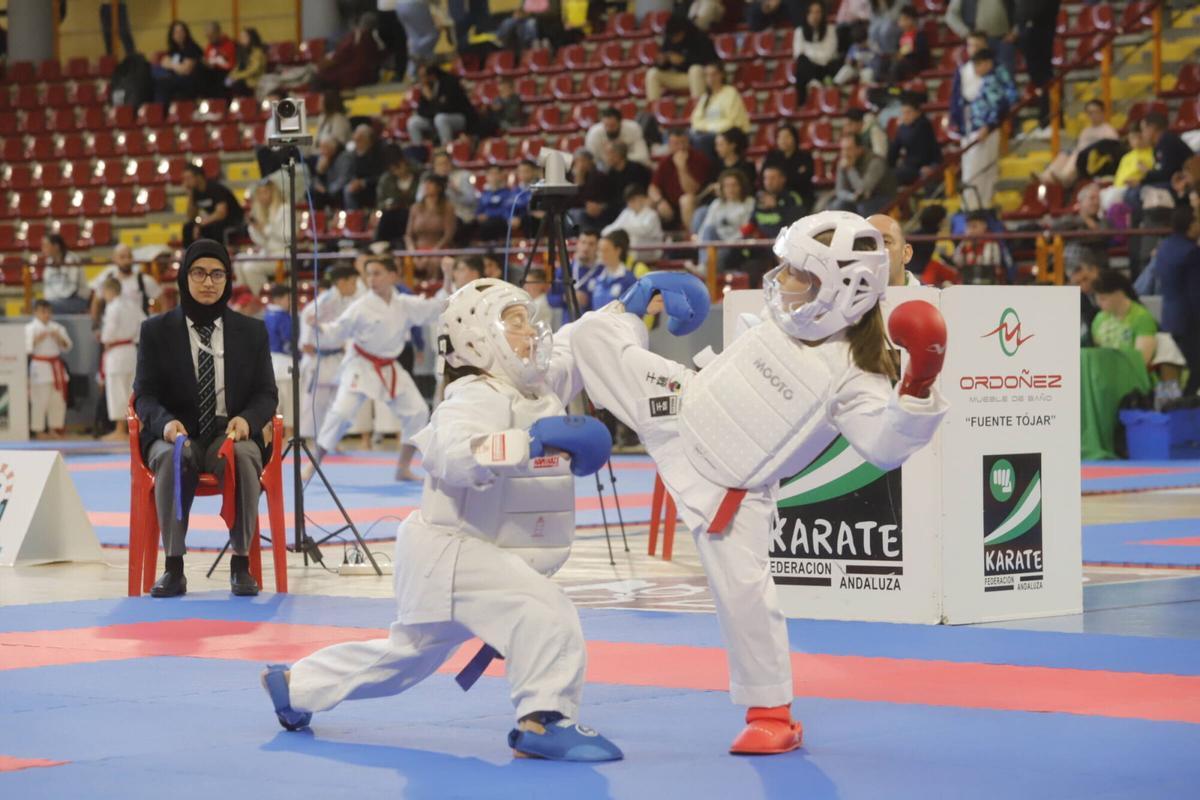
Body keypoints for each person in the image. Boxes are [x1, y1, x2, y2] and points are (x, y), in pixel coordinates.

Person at [567, 211, 948, 755]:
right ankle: (525, 390)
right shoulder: (785, 317)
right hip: (679, 408)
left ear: (838, 288)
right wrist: (637, 308)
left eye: (795, 273)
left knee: (746, 594)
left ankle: (770, 713)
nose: (780, 281)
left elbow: (886, 448)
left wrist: (919, 383)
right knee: (590, 337)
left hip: (731, 489)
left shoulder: (855, 371)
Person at [263, 278, 623, 763]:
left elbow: (575, 347)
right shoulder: (474, 395)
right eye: (515, 324)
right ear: (480, 339)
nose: (531, 333)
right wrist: (528, 443)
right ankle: (544, 718)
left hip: (466, 552)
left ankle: (294, 686)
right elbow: (450, 453)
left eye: (528, 321)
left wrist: (630, 308)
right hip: (452, 549)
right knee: (544, 609)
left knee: (405, 660)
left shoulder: (532, 384)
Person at [133, 239, 279, 598]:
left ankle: (241, 563)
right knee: (172, 456)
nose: (208, 282)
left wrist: (248, 419)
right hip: (174, 431)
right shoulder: (155, 331)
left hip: (228, 430)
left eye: (217, 274)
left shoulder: (251, 331)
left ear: (228, 280)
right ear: (185, 277)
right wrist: (165, 423)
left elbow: (267, 393)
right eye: (199, 273)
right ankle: (174, 567)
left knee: (244, 455)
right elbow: (145, 395)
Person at [306, 258, 445, 482]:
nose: (372, 279)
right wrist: (318, 326)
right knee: (341, 413)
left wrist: (446, 277)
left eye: (377, 273)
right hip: (361, 365)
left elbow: (436, 308)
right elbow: (336, 331)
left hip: (389, 367)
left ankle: (403, 468)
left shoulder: (404, 304)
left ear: (393, 276)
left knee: (418, 411)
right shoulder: (361, 306)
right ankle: (312, 465)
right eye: (368, 274)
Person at [299, 265, 361, 441]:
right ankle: (314, 441)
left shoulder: (345, 302)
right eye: (353, 283)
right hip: (319, 359)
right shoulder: (321, 304)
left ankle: (330, 440)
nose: (355, 287)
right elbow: (305, 343)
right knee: (317, 403)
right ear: (341, 282)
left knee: (336, 404)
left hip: (338, 358)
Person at [953, 48, 1017, 210]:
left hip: (984, 131)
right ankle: (975, 206)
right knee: (975, 169)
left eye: (978, 65)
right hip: (976, 128)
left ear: (988, 64)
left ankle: (977, 207)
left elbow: (997, 106)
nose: (975, 70)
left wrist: (988, 127)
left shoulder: (993, 81)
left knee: (979, 170)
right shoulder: (987, 81)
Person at [1155, 205, 1200, 395]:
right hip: (1190, 320)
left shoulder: (1165, 247)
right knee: (1196, 370)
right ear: (1190, 225)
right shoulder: (1192, 252)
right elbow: (1196, 292)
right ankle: (1186, 408)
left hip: (1170, 317)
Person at [98, 276, 146, 442]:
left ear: (110, 290)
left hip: (116, 351)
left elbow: (109, 331)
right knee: (132, 390)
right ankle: (138, 427)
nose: (104, 296)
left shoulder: (113, 307)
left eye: (104, 292)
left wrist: (105, 340)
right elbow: (144, 323)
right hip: (131, 350)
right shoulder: (132, 305)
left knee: (118, 390)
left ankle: (120, 429)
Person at [1041, 100, 1120, 186]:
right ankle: (1046, 176)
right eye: (1090, 113)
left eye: (1095, 112)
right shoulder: (1085, 131)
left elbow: (1113, 151)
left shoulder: (1108, 130)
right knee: (1064, 154)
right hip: (1082, 158)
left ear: (1102, 112)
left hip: (1095, 162)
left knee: (1077, 154)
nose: (1093, 115)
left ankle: (1066, 176)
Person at [1091, 271, 1157, 370]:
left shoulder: (1142, 318)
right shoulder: (1099, 319)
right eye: (1097, 299)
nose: (1098, 303)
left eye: (1103, 299)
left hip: (1131, 376)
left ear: (1119, 294)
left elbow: (1141, 361)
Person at [25, 299, 73, 439]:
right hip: (39, 367)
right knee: (39, 401)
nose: (46, 315)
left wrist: (58, 338)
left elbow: (68, 347)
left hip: (56, 367)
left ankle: (55, 428)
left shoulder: (57, 328)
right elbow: (26, 349)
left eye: (48, 312)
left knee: (57, 401)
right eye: (43, 312)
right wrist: (36, 340)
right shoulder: (30, 328)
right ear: (36, 312)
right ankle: (39, 430)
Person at [650, 128, 712, 231]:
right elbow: (653, 187)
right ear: (669, 145)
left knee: (686, 200)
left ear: (688, 143)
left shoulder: (699, 159)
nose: (681, 147)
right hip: (670, 204)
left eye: (683, 143)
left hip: (697, 201)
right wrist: (660, 201)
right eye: (676, 144)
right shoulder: (666, 161)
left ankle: (692, 240)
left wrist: (682, 168)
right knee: (648, 202)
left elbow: (690, 190)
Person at [646, 14, 716, 102]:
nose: (673, 39)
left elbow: (710, 63)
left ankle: (698, 109)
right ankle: (653, 111)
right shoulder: (669, 39)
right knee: (652, 73)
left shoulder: (700, 37)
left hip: (699, 78)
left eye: (676, 36)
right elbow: (663, 64)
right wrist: (662, 62)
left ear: (683, 32)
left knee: (695, 70)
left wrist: (684, 60)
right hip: (679, 77)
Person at [1014, 0, 1060, 134]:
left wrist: (1024, 20)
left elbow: (1035, 11)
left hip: (1039, 33)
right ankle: (1050, 116)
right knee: (1039, 77)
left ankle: (1048, 117)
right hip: (1033, 32)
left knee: (1043, 77)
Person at [696, 169, 755, 274]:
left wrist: (728, 243)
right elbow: (706, 228)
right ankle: (704, 265)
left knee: (722, 249)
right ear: (722, 188)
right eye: (727, 186)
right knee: (709, 230)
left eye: (734, 185)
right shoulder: (717, 203)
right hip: (717, 243)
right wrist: (699, 244)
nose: (730, 189)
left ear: (741, 186)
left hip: (736, 245)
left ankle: (707, 269)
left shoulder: (749, 202)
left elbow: (746, 230)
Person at [689, 65, 751, 159]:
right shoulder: (706, 97)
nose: (710, 78)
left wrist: (708, 127)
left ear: (721, 75)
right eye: (707, 75)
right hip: (711, 132)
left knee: (703, 140)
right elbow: (695, 120)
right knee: (686, 137)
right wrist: (707, 128)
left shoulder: (731, 92)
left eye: (714, 75)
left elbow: (732, 121)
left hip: (733, 133)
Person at [408, 62, 476, 146]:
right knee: (413, 122)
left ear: (432, 75)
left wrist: (431, 100)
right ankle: (418, 150)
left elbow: (447, 108)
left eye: (423, 76)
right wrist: (432, 105)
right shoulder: (426, 87)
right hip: (435, 117)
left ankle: (446, 149)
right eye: (420, 77)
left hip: (459, 117)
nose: (421, 80)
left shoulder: (449, 82)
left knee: (440, 118)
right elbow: (421, 110)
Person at [88, 243, 162, 321]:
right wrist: (95, 326)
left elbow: (162, 301)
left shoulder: (144, 280)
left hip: (138, 327)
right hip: (113, 327)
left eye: (129, 257)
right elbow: (96, 302)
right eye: (122, 257)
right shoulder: (106, 280)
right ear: (114, 258)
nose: (126, 261)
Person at [829, 134, 897, 216]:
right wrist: (852, 197)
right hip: (858, 198)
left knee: (863, 207)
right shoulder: (844, 160)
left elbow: (863, 190)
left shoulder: (875, 162)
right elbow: (839, 190)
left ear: (859, 149)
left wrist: (850, 169)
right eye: (843, 149)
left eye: (849, 149)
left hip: (881, 197)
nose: (845, 153)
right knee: (836, 205)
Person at [240, 180, 289, 294]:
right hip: (267, 254)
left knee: (250, 268)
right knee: (238, 261)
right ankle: (245, 297)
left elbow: (287, 237)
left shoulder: (284, 210)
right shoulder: (261, 211)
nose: (262, 196)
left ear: (273, 192)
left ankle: (261, 297)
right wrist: (253, 228)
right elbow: (261, 242)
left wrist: (264, 229)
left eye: (265, 192)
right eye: (260, 193)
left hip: (282, 256)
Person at [316, 12, 384, 91]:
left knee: (317, 78)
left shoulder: (354, 39)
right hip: (364, 77)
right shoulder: (372, 41)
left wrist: (320, 65)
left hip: (347, 78)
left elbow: (338, 57)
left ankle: (303, 103)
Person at [406, 173, 458, 276]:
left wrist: (432, 253)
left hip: (439, 249)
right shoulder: (415, 208)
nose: (426, 186)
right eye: (425, 184)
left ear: (438, 187)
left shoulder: (448, 208)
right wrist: (413, 252)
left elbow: (448, 234)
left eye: (430, 183)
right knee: (406, 262)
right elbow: (408, 235)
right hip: (417, 250)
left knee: (434, 262)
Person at [181, 163, 244, 247]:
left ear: (199, 177)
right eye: (184, 179)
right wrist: (190, 195)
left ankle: (218, 253)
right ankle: (189, 255)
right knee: (188, 227)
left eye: (188, 178)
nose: (186, 182)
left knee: (215, 227)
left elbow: (221, 213)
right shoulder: (195, 192)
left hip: (232, 219)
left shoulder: (215, 188)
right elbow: (191, 216)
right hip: (212, 220)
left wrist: (201, 224)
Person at [888, 94, 942, 186]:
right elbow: (894, 150)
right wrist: (888, 166)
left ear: (918, 113)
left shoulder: (924, 125)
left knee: (896, 175)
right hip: (910, 165)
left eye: (908, 112)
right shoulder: (903, 128)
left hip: (928, 164)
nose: (905, 116)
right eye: (903, 113)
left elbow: (924, 154)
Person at [793, 1, 841, 104]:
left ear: (823, 14)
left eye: (818, 12)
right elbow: (798, 54)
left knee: (837, 62)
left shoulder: (831, 30)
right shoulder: (799, 32)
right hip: (809, 68)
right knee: (801, 63)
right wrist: (813, 55)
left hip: (826, 68)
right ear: (806, 14)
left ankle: (815, 82)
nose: (815, 15)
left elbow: (828, 54)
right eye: (812, 12)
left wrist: (810, 53)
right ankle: (805, 99)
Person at [579, 230, 638, 313]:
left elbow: (636, 311)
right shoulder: (596, 277)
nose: (601, 254)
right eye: (599, 250)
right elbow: (587, 308)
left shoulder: (629, 280)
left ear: (617, 251)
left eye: (605, 250)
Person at [333, 124, 387, 211]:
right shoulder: (353, 154)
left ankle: (355, 218)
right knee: (338, 189)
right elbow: (351, 173)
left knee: (348, 191)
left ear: (368, 140)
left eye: (360, 140)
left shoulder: (378, 153)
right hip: (358, 186)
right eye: (356, 140)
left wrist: (363, 182)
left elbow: (381, 175)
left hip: (374, 186)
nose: (357, 142)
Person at [602, 184, 664, 259]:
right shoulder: (626, 213)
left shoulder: (652, 215)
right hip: (632, 249)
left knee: (631, 240)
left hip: (650, 250)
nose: (631, 203)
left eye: (633, 200)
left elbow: (643, 230)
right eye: (629, 201)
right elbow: (612, 227)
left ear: (642, 198)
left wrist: (623, 229)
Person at [763, 123, 815, 211]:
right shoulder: (771, 156)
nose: (783, 140)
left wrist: (780, 181)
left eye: (787, 137)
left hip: (801, 195)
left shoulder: (805, 156)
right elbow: (764, 178)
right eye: (780, 137)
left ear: (794, 138)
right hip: (775, 195)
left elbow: (805, 179)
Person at [375, 146, 418, 245]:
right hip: (393, 217)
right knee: (387, 217)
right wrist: (387, 205)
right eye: (393, 169)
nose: (398, 171)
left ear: (405, 162)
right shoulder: (386, 180)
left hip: (415, 215)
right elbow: (379, 204)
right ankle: (381, 245)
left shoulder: (419, 176)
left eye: (399, 166)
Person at [152, 21, 203, 105]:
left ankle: (162, 111)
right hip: (175, 78)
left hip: (190, 80)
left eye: (181, 31)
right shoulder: (173, 50)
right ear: (172, 35)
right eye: (176, 32)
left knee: (162, 83)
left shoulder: (192, 47)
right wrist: (178, 67)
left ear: (186, 33)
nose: (179, 34)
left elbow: (186, 70)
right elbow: (163, 63)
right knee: (154, 76)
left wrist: (172, 65)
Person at [586, 107, 651, 171]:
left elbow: (643, 156)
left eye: (612, 125)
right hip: (604, 168)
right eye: (606, 125)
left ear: (620, 123)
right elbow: (591, 160)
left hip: (629, 167)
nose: (609, 129)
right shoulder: (594, 133)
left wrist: (618, 160)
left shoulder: (633, 129)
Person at [952, 210, 1005, 284]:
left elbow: (988, 265)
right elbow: (957, 261)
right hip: (967, 281)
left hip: (986, 281)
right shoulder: (964, 243)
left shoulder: (991, 243)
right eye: (968, 226)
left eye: (974, 226)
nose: (970, 230)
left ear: (984, 226)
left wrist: (970, 253)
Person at [868, 213, 921, 286]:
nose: (874, 250)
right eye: (866, 243)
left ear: (906, 253)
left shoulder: (929, 296)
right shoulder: (847, 295)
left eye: (885, 242)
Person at [40, 233, 87, 313]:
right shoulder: (49, 262)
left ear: (56, 246)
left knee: (48, 307)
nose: (43, 249)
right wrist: (50, 300)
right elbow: (47, 285)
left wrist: (53, 301)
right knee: (36, 304)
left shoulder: (72, 260)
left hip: (76, 299)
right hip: (56, 301)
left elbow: (72, 289)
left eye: (46, 246)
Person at [1068, 248, 1105, 346]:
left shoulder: (1109, 287)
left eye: (1085, 279)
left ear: (1095, 271)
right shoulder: (1078, 298)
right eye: (1078, 283)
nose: (1083, 285)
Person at [570, 149, 613, 230]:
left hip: (600, 208)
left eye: (583, 161)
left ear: (590, 161)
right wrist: (579, 183)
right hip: (580, 208)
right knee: (575, 214)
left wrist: (599, 206)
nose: (580, 164)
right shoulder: (572, 177)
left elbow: (603, 197)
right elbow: (571, 200)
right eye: (577, 161)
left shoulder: (600, 176)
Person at [602, 142, 654, 209]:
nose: (606, 157)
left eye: (608, 154)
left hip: (637, 205)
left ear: (617, 155)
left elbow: (643, 191)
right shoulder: (610, 173)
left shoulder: (637, 169)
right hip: (618, 207)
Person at [475, 164, 518, 242]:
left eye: (496, 173)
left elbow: (506, 210)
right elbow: (479, 210)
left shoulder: (508, 193)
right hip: (486, 222)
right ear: (486, 176)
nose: (493, 176)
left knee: (491, 224)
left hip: (502, 221)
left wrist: (488, 214)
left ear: (501, 175)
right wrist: (479, 215)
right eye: (490, 173)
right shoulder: (484, 194)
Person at [889, 6, 929, 81]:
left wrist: (908, 54)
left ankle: (895, 90)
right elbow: (897, 51)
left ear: (911, 20)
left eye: (903, 19)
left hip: (916, 63)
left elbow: (922, 54)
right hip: (903, 63)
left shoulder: (920, 35)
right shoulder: (900, 36)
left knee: (897, 66)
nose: (900, 22)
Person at [226, 27, 267, 96]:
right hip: (243, 78)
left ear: (251, 38)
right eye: (240, 37)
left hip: (253, 79)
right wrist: (231, 75)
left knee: (237, 84)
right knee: (225, 82)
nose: (241, 39)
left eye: (244, 36)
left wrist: (238, 76)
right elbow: (238, 66)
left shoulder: (257, 52)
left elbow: (253, 70)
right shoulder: (242, 51)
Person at [202, 21, 237, 93]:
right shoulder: (210, 46)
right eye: (208, 36)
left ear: (218, 32)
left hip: (227, 74)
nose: (209, 39)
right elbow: (206, 59)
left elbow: (232, 65)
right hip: (212, 74)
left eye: (211, 36)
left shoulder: (230, 45)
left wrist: (216, 65)